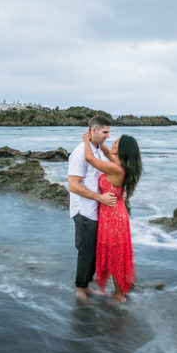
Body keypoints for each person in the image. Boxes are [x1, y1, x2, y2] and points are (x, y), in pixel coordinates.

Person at [82, 131, 142, 303]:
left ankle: (119, 295)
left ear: (122, 148)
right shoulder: (122, 165)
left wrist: (86, 141)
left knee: (115, 255)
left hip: (113, 216)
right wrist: (99, 142)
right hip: (115, 212)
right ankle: (120, 291)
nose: (113, 144)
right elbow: (107, 153)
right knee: (117, 254)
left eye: (116, 142)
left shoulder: (116, 168)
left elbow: (90, 159)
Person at [68, 116, 117, 301]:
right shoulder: (80, 152)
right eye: (105, 132)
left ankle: (86, 286)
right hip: (84, 210)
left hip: (96, 209)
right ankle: (80, 289)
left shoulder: (95, 150)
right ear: (93, 130)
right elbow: (73, 185)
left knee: (94, 249)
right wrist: (100, 197)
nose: (107, 136)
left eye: (109, 132)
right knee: (85, 249)